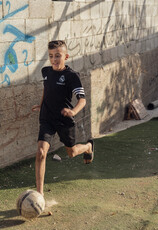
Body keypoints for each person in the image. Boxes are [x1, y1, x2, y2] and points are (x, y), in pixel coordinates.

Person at [32, 40, 94, 196]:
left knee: (71, 152)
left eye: (58, 56)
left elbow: (82, 99)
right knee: (41, 152)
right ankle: (40, 194)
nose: (54, 59)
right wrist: (42, 105)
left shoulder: (72, 76)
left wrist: (73, 111)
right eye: (51, 56)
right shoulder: (45, 71)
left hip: (64, 120)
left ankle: (88, 147)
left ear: (66, 56)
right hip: (47, 118)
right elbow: (46, 91)